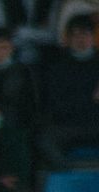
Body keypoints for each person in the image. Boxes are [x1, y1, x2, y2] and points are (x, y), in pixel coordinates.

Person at [37, 15, 99, 165]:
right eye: (76, 35)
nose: (81, 40)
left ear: (93, 37)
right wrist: (90, 99)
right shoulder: (57, 66)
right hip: (68, 125)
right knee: (44, 139)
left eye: (85, 34)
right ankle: (68, 169)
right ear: (68, 39)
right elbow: (55, 102)